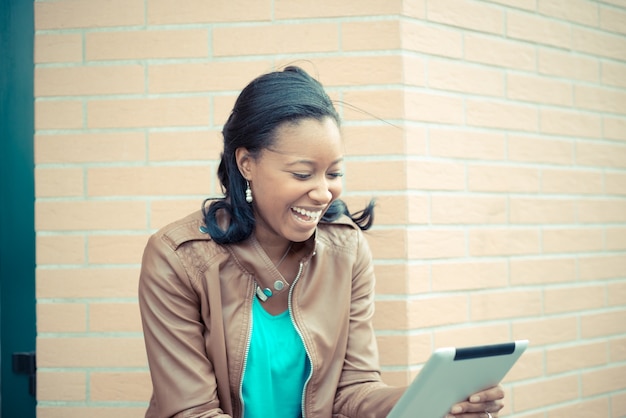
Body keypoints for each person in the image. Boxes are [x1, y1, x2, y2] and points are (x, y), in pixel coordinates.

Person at [138, 66, 505, 418]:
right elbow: (192, 411)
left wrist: (429, 403)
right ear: (247, 163)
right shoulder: (177, 258)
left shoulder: (347, 250)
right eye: (302, 173)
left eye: (334, 173)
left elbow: (355, 390)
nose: (323, 192)